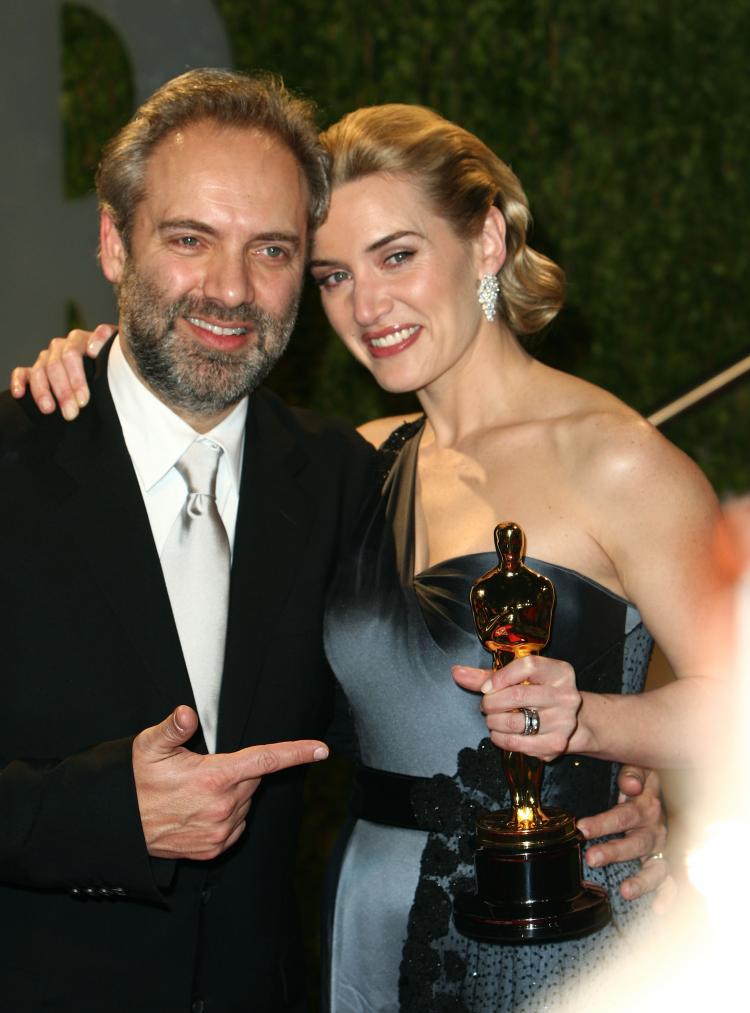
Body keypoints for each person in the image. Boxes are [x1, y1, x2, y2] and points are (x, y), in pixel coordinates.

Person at [13, 100, 682, 1011]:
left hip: (518, 931)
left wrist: (633, 771)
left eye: (395, 255)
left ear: (486, 240)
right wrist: (94, 368)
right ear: (116, 244)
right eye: (332, 272)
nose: (366, 306)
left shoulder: (366, 469)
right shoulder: (353, 465)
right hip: (345, 925)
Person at [0, 69, 376, 1013]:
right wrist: (101, 816)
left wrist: (610, 775)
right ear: (112, 242)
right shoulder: (12, 460)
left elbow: (398, 734)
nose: (230, 289)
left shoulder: (341, 477)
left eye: (273, 250)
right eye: (188, 238)